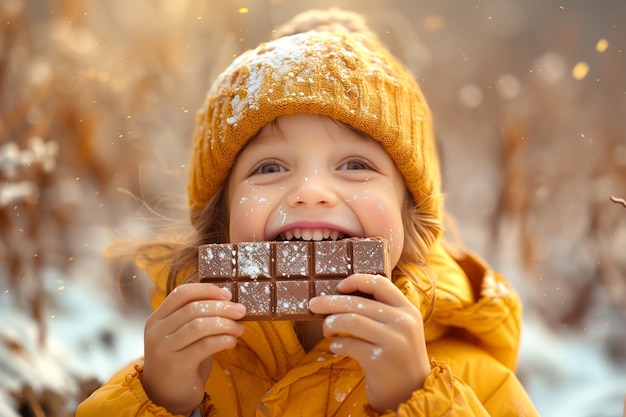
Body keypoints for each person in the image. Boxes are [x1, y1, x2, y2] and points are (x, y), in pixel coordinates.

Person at [77, 8, 539, 417]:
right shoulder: (171, 374)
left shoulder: (477, 383)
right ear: (220, 221)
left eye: (356, 165)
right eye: (270, 166)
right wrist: (164, 404)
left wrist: (417, 401)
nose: (311, 192)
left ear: (410, 214)